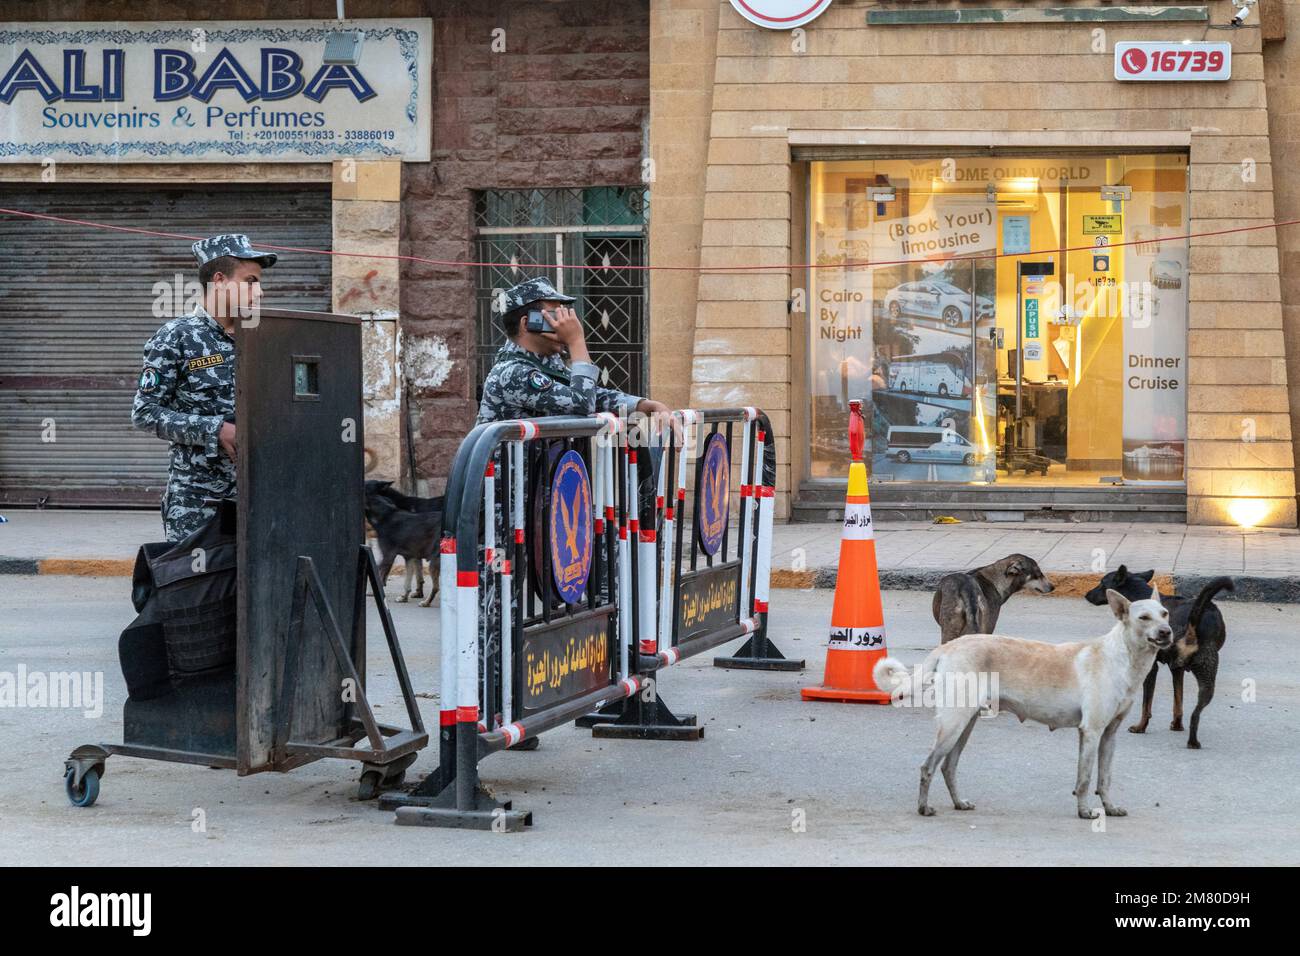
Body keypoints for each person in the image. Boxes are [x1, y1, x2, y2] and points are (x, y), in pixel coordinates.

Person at [131, 234, 277, 541]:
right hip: (198, 502)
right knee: (198, 586)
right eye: (250, 281)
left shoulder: (264, 336)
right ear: (220, 280)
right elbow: (145, 413)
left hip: (261, 495)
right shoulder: (176, 337)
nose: (260, 292)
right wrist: (215, 429)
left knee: (256, 586)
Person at [476, 276, 669, 425]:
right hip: (512, 477)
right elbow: (582, 403)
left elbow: (592, 394)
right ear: (527, 324)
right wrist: (576, 341)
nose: (563, 324)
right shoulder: (512, 373)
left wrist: (644, 405)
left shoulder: (545, 363)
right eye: (554, 316)